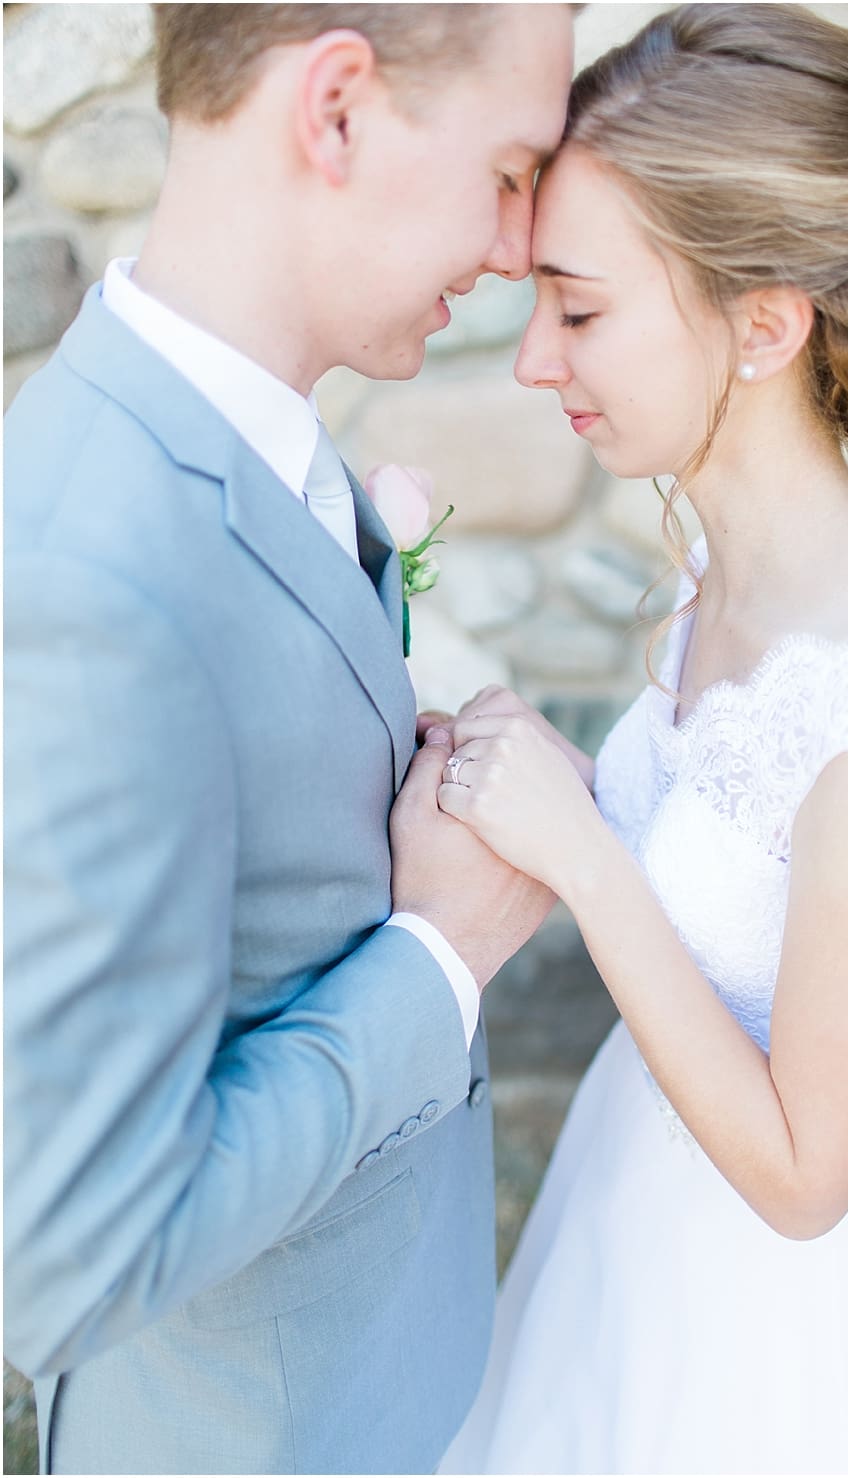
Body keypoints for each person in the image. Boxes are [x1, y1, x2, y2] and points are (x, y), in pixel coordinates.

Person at [3, 5, 575, 1471]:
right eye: (507, 170)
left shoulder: (251, 435)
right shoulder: (92, 564)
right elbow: (68, 1253)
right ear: (336, 111)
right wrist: (441, 948)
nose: (517, 249)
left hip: (378, 1382)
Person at [430, 7, 848, 1472]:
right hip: (631, 1221)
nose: (536, 361)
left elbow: (807, 1175)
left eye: (581, 307)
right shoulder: (706, 576)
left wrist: (585, 862)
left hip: (783, 1324)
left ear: (763, 321)